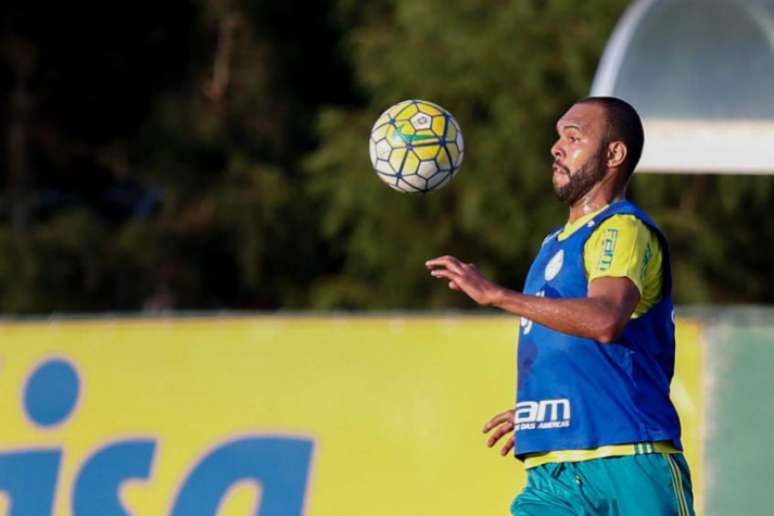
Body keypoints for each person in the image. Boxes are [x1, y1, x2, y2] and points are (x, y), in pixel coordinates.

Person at [426, 97, 694, 515]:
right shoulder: (553, 244)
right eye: (557, 136)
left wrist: (497, 295)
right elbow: (576, 345)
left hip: (630, 461)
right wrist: (553, 409)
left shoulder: (621, 227)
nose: (556, 147)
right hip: (553, 478)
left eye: (574, 137)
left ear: (614, 154)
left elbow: (605, 319)